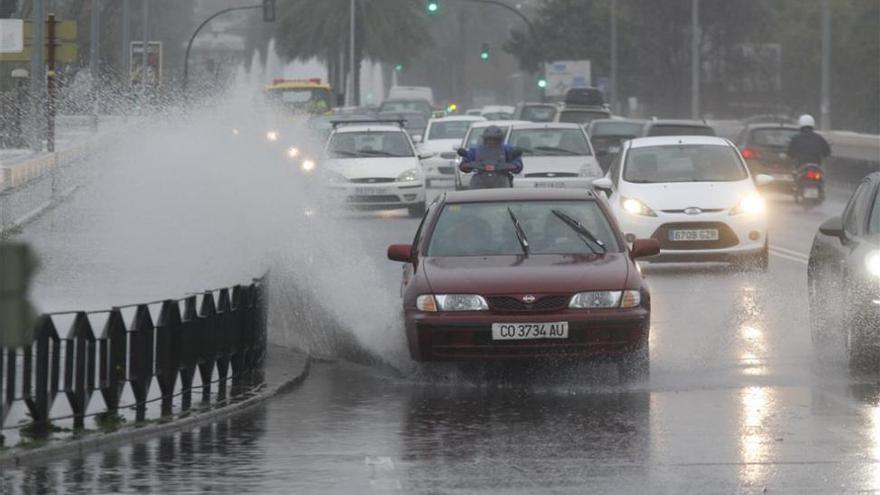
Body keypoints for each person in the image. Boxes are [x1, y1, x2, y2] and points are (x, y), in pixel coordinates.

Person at [458, 126, 523, 188]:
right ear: (484, 139)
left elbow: (517, 163)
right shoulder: (475, 150)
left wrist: (514, 165)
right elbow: (465, 161)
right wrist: (466, 165)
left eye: (495, 139)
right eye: (489, 139)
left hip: (502, 178)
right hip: (480, 179)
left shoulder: (507, 149)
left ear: (500, 140)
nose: (492, 142)